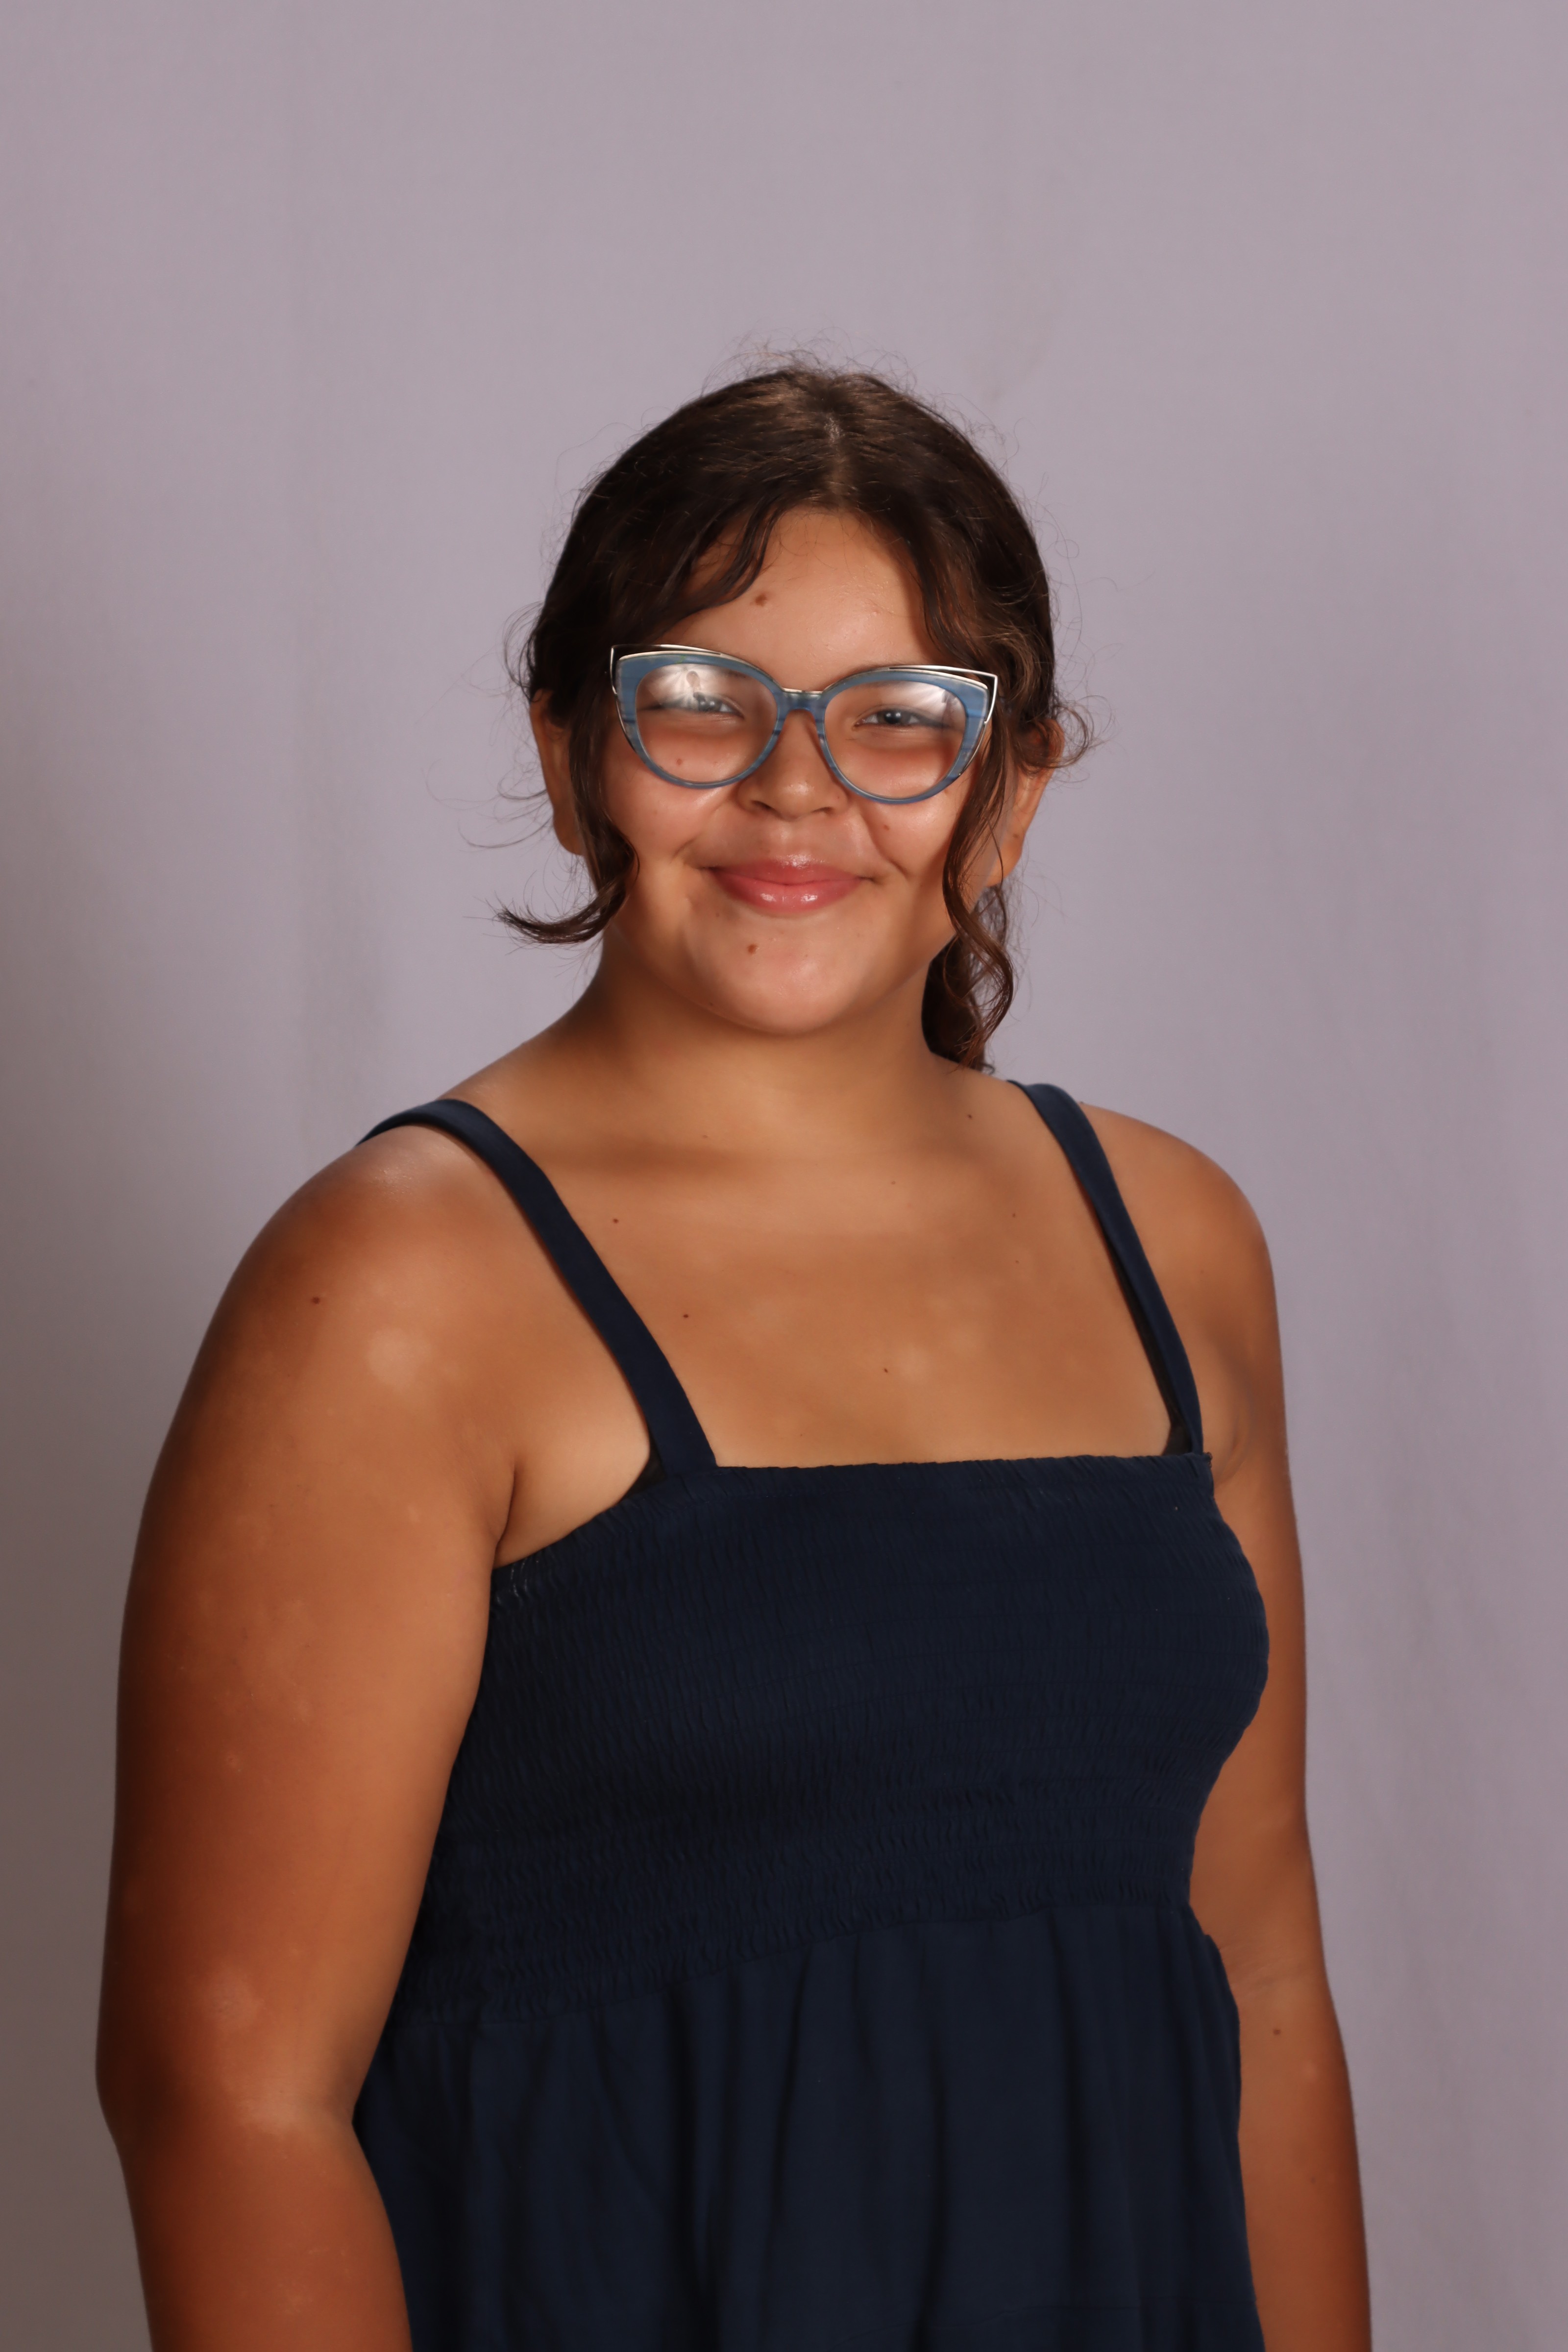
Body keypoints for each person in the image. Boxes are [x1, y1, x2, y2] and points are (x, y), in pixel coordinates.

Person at [97, 366, 1371, 2351]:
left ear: (1012, 785)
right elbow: (227, 2098)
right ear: (569, 752)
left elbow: (1260, 1960)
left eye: (899, 718)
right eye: (703, 703)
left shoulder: (1174, 1240)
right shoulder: (399, 1287)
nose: (797, 791)